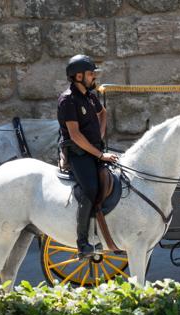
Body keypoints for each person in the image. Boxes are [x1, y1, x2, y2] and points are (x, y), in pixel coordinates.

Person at [57, 54, 118, 258]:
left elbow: (104, 113)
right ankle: (82, 242)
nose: (94, 77)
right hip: (77, 154)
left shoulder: (91, 96)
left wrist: (99, 136)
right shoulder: (68, 100)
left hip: (93, 150)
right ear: (79, 76)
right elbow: (75, 135)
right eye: (91, 74)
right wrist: (100, 154)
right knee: (91, 188)